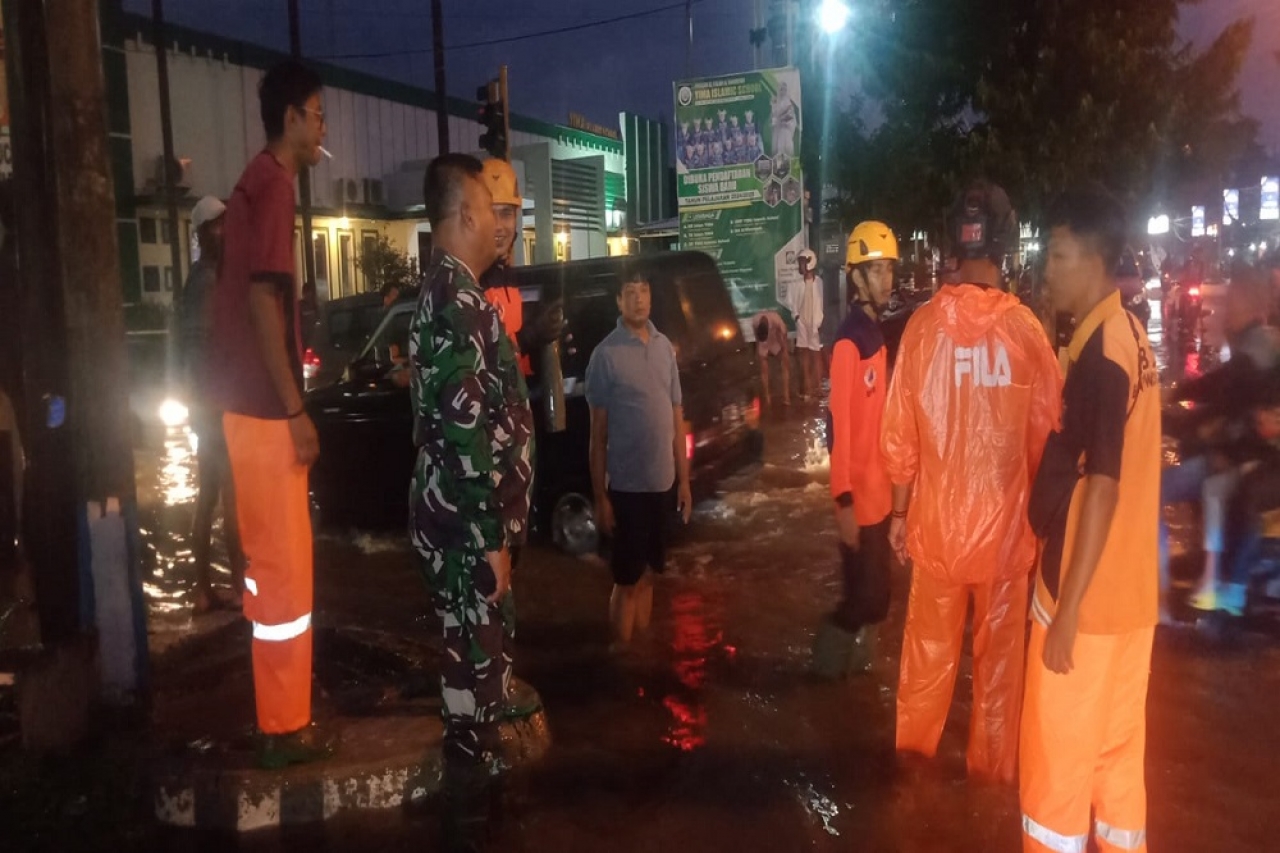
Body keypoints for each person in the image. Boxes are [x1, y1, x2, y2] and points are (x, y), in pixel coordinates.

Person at [881, 180, 1061, 783]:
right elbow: (1050, 442)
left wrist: (899, 516)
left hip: (936, 531)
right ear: (1006, 244)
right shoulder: (1027, 334)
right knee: (1000, 673)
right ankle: (990, 785)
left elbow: (899, 438)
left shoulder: (921, 329)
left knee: (926, 661)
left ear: (951, 242)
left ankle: (911, 780)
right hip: (1007, 538)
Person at [1021, 187, 1161, 853]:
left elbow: (1102, 483)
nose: (1048, 269)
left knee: (1055, 774)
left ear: (1096, 260)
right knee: (1116, 762)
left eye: (1059, 255)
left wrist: (1067, 611)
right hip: (1131, 599)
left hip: (1086, 605)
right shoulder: (1130, 335)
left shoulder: (1103, 355)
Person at [207, 60, 330, 768]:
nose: (323, 128)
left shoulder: (252, 182)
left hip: (243, 408)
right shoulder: (276, 186)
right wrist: (296, 410)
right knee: (284, 571)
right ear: (291, 118)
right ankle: (285, 729)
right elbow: (264, 303)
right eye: (317, 114)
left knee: (269, 568)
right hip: (263, 410)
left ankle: (278, 717)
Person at [409, 153, 533, 847]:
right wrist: (490, 538)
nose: (500, 224)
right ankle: (471, 825)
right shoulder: (456, 303)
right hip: (465, 533)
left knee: (480, 677)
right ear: (462, 215)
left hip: (464, 527)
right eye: (490, 210)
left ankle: (478, 812)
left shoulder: (458, 294)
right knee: (473, 694)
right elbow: (464, 437)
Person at [1159, 268, 1280, 617]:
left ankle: (1163, 597)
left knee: (1160, 490)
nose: (1226, 308)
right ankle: (1208, 574)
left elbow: (1229, 398)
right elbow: (1221, 391)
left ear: (1253, 304)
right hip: (1237, 451)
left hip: (1244, 456)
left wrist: (1178, 420)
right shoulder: (1253, 343)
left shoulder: (1258, 347)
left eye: (1233, 301)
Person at [587, 268, 693, 648]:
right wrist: (601, 497)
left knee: (650, 574)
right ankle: (621, 657)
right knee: (627, 580)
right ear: (619, 301)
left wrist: (684, 481)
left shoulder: (664, 348)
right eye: (630, 292)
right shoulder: (605, 355)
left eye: (644, 290)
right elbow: (597, 435)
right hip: (627, 489)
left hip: (662, 484)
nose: (639, 299)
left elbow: (676, 417)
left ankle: (641, 655)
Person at [811, 221, 898, 679]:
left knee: (879, 600)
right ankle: (822, 677)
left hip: (881, 498)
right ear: (857, 278)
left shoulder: (876, 334)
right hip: (859, 502)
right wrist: (842, 500)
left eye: (889, 270)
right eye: (877, 270)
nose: (887, 280)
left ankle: (859, 678)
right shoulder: (849, 341)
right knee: (862, 600)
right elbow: (837, 428)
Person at [178, 194, 245, 613]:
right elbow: (202, 346)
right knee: (229, 494)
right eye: (220, 225)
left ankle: (205, 589)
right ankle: (236, 586)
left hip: (208, 401)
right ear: (204, 233)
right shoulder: (206, 282)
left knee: (209, 494)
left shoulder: (206, 278)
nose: (227, 231)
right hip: (215, 403)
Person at [790, 248, 824, 401]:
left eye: (803, 262)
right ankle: (808, 387)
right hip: (802, 322)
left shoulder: (819, 282)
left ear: (811, 262)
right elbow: (792, 302)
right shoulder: (797, 284)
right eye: (800, 263)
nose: (801, 266)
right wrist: (797, 317)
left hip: (815, 323)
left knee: (816, 355)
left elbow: (822, 303)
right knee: (804, 355)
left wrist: (820, 321)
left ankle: (818, 387)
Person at [751, 309, 791, 407]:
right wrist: (757, 349)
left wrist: (784, 349)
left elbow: (784, 333)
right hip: (763, 342)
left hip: (775, 339)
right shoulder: (755, 320)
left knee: (785, 363)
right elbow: (757, 336)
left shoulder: (775, 318)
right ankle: (767, 396)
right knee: (764, 367)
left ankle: (786, 395)